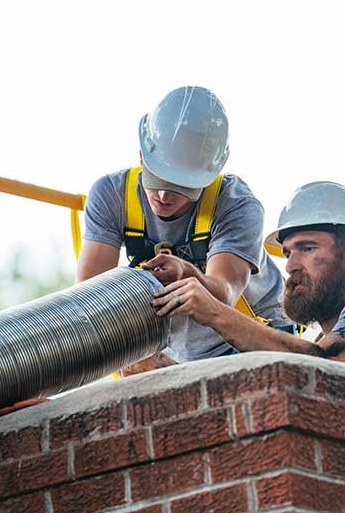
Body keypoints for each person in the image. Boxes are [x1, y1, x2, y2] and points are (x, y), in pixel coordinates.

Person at [152, 180, 345, 393]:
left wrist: (215, 312)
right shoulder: (316, 341)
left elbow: (330, 369)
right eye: (288, 252)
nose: (290, 266)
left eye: (307, 249)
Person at [77, 86, 291, 372]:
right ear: (142, 155)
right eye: (157, 179)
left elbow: (225, 295)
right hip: (179, 352)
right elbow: (89, 300)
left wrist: (187, 272)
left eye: (181, 186)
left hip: (255, 340)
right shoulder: (112, 196)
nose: (164, 196)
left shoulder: (236, 205)